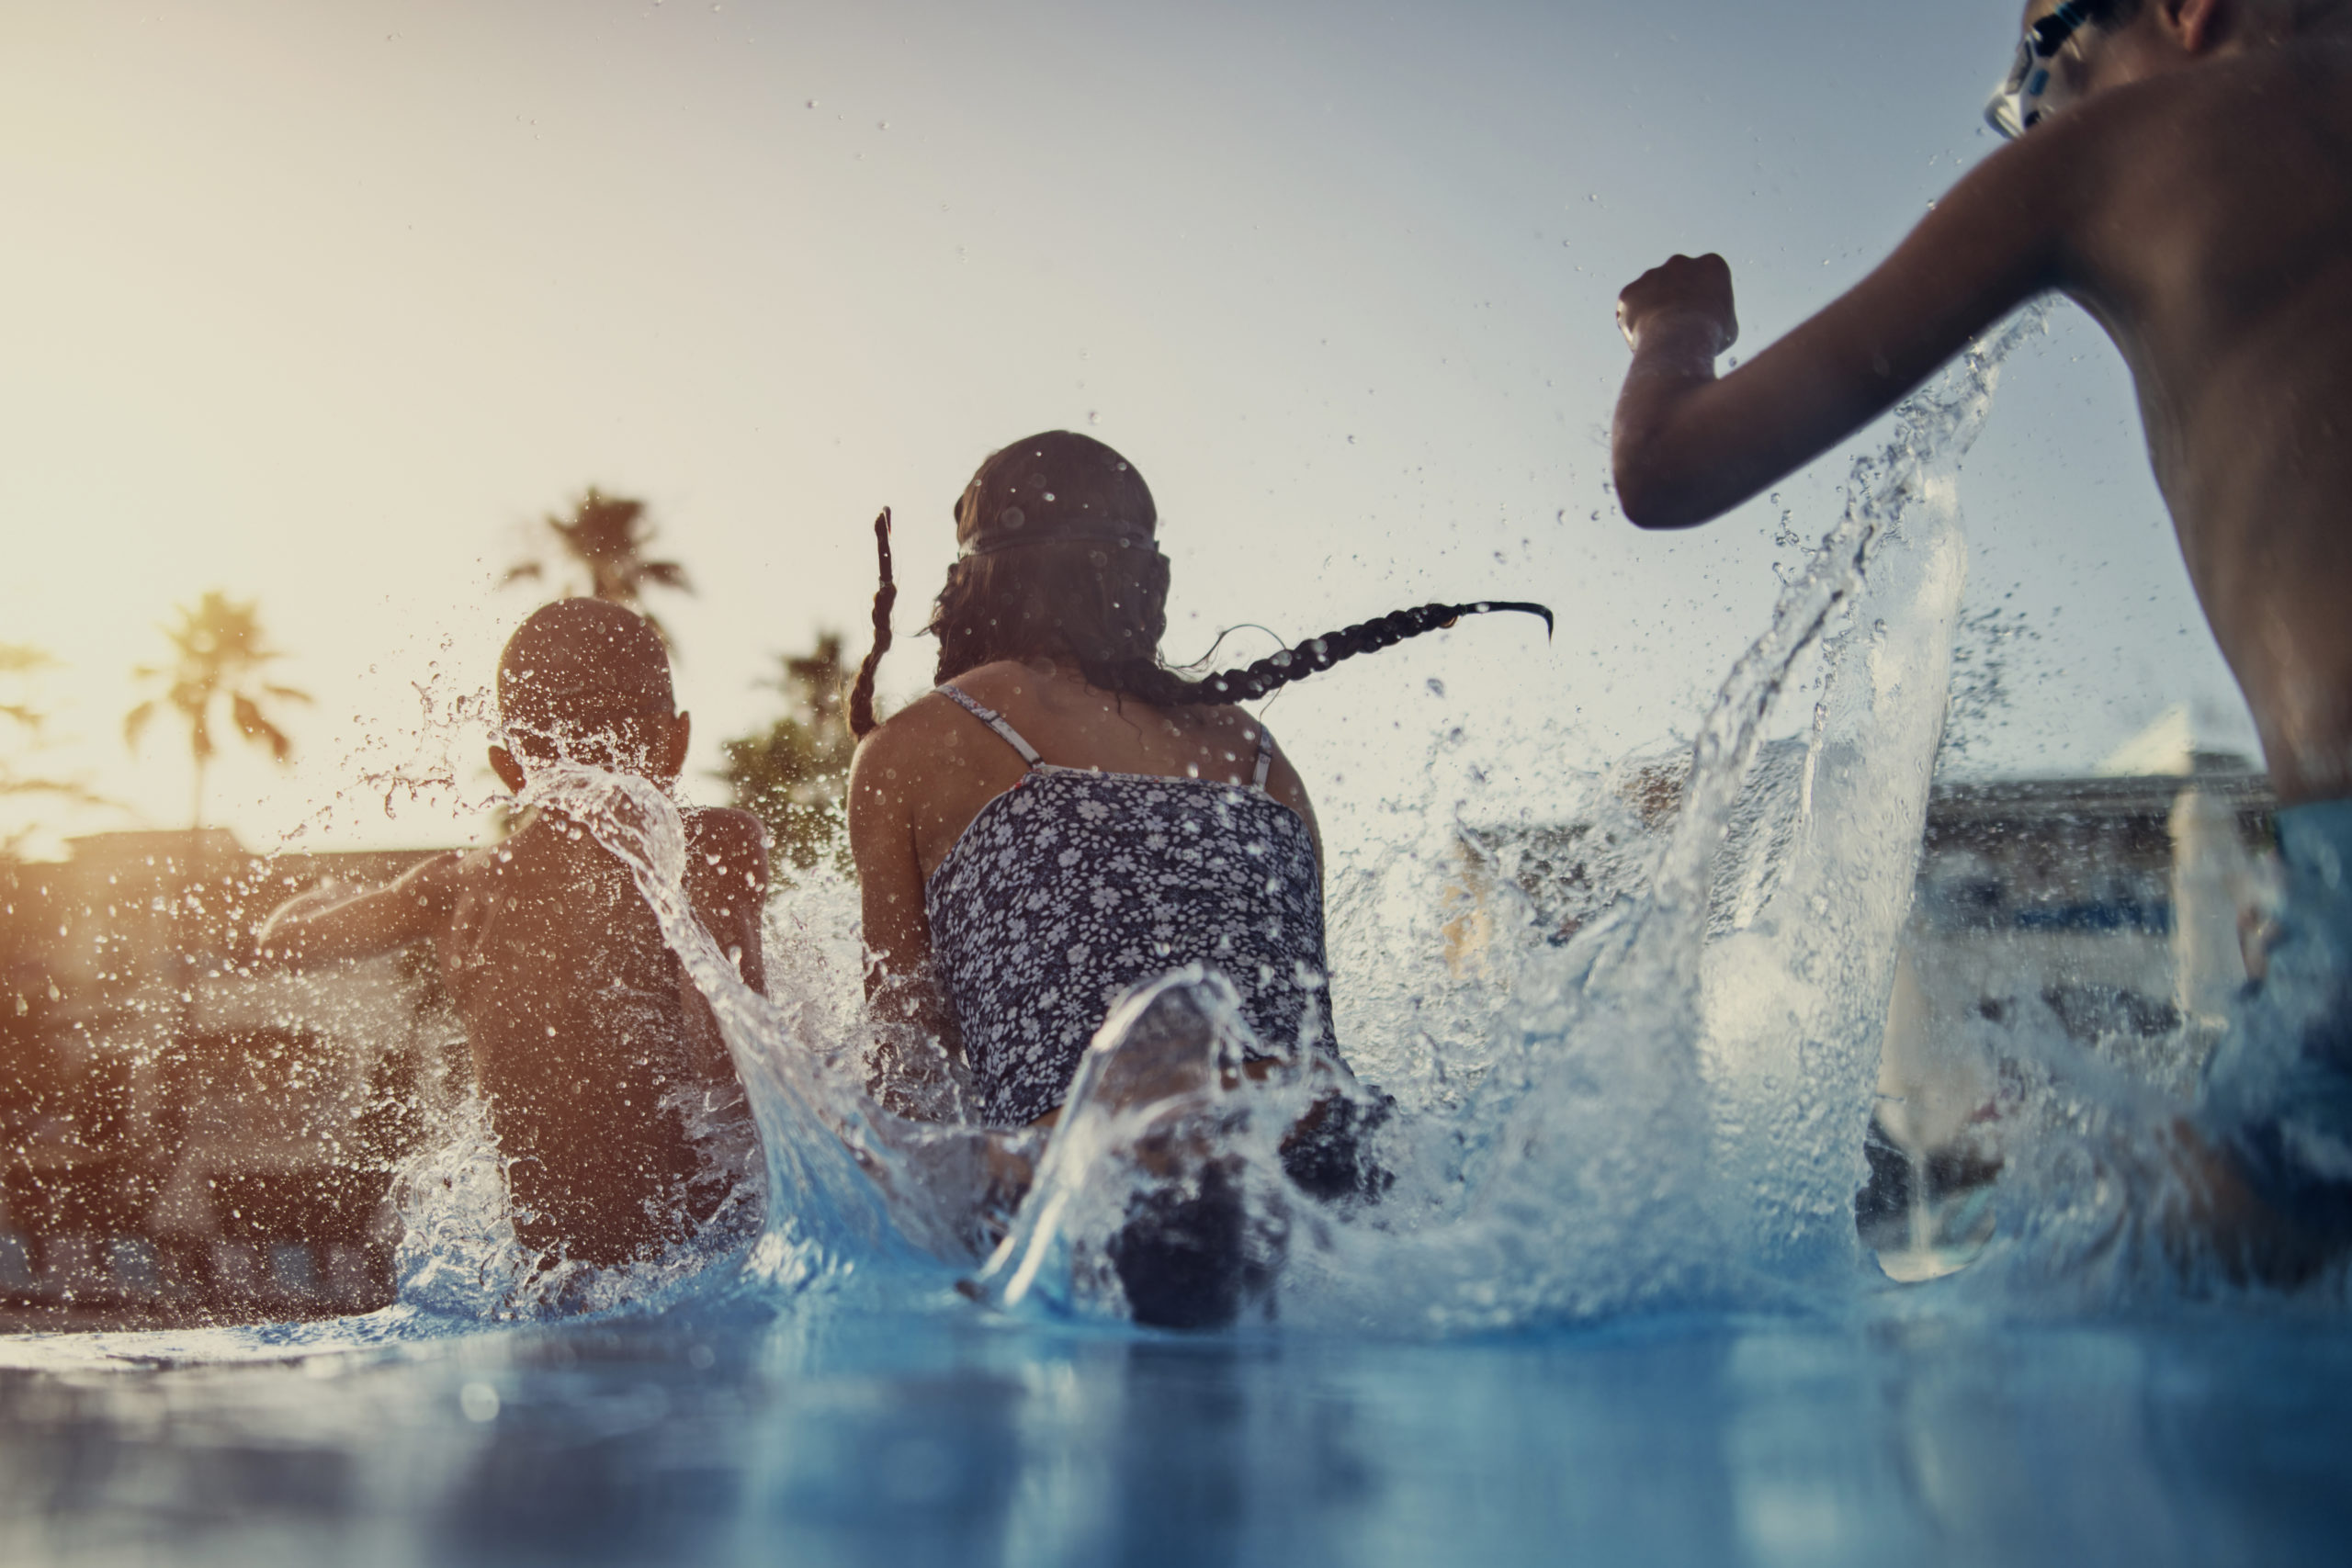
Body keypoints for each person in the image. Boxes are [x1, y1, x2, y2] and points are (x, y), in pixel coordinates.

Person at [1607, 0, 2352, 1278]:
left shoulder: (2114, 154)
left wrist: (1677, 330)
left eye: (2042, 63)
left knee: (2165, 1279)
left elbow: (1668, 469)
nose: (2041, 108)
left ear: (2185, 13)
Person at [846, 430, 1547, 1323]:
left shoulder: (919, 743)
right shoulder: (1259, 755)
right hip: (1326, 1146)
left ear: (972, 586)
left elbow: (904, 1072)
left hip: (1115, 1175)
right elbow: (1309, 1037)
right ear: (1150, 583)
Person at [258, 599, 770, 1272]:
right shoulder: (707, 845)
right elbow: (734, 1079)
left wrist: (329, 896)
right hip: (694, 1274)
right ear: (676, 742)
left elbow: (282, 942)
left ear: (508, 768)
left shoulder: (456, 887)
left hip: (545, 1294)